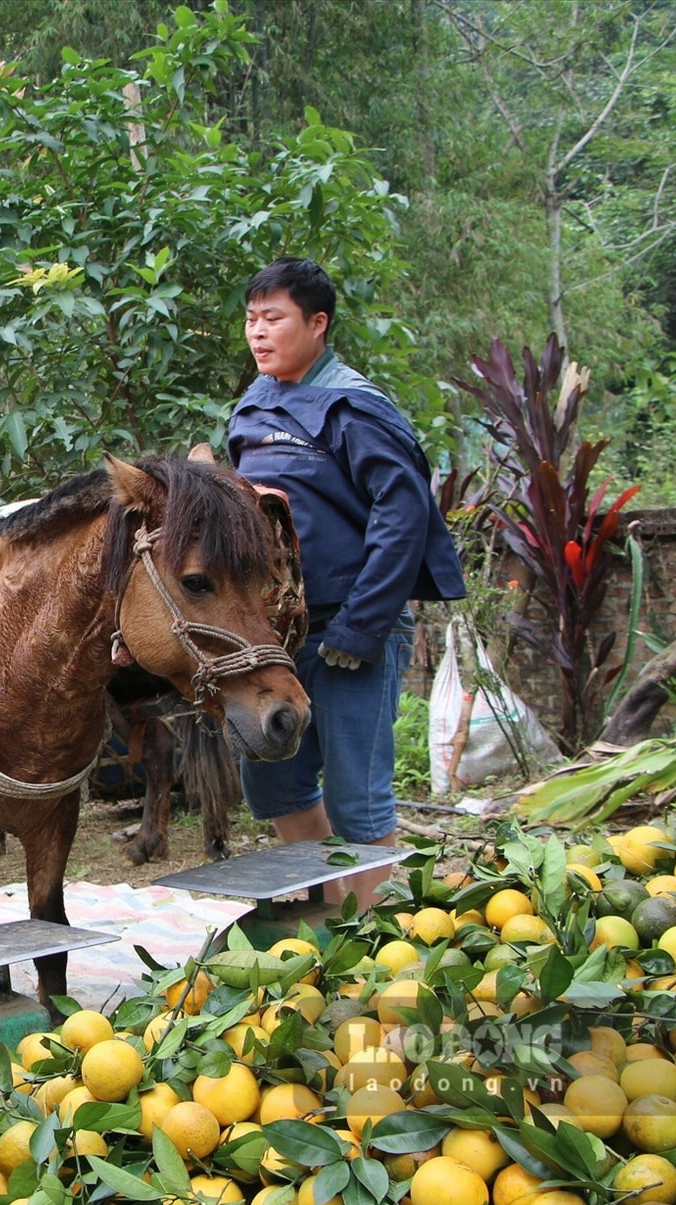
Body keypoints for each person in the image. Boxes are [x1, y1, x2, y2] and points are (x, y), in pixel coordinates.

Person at [221, 258, 465, 902]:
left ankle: (373, 937)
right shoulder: (252, 406)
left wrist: (363, 625)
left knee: (357, 795)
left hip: (354, 629)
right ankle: (327, 908)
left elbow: (404, 515)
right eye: (251, 319)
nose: (258, 332)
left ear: (318, 323)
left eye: (274, 318)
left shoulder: (352, 407)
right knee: (273, 781)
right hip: (279, 638)